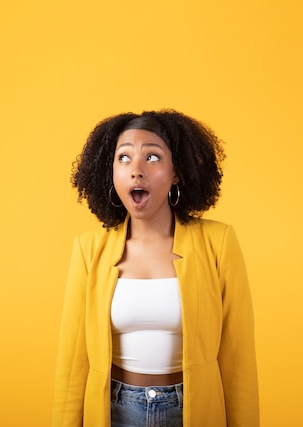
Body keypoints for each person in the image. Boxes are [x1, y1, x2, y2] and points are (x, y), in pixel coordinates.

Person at [52, 110, 259, 427]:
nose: (136, 170)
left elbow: (238, 359)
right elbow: (72, 362)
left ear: (177, 171)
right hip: (114, 411)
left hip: (192, 411)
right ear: (110, 172)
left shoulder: (219, 242)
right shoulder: (88, 249)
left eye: (152, 156)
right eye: (123, 158)